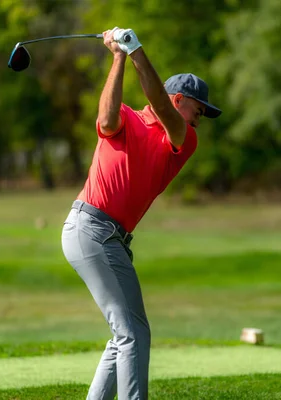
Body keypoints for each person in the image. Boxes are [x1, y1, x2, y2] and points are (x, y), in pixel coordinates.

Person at [61, 27, 221, 400]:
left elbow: (161, 107)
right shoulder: (127, 120)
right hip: (91, 228)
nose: (199, 121)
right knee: (133, 333)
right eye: (198, 111)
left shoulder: (181, 137)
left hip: (107, 237)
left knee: (124, 335)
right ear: (181, 99)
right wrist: (120, 57)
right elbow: (105, 118)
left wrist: (134, 51)